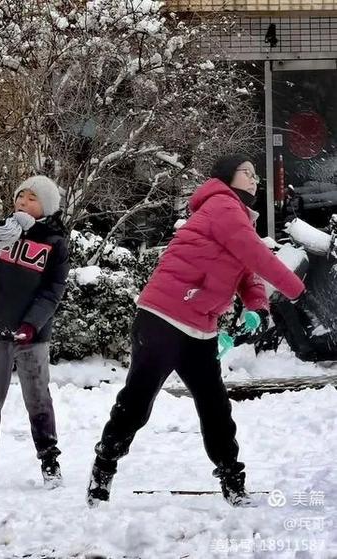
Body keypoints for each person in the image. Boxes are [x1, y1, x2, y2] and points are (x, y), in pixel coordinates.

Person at [86, 154, 305, 507]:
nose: (253, 178)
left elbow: (247, 272)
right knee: (138, 400)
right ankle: (103, 466)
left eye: (254, 174)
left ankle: (233, 479)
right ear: (226, 178)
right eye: (246, 173)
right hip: (164, 315)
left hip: (199, 326)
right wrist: (296, 289)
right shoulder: (222, 205)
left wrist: (257, 306)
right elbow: (257, 256)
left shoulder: (239, 218)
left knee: (215, 406)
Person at [0, 176, 70, 490]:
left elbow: (53, 290)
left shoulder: (55, 243)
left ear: (45, 206)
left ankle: (49, 459)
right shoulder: (1, 228)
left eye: (32, 198)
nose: (23, 203)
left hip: (32, 332)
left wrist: (32, 323)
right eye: (20, 197)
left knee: (38, 397)